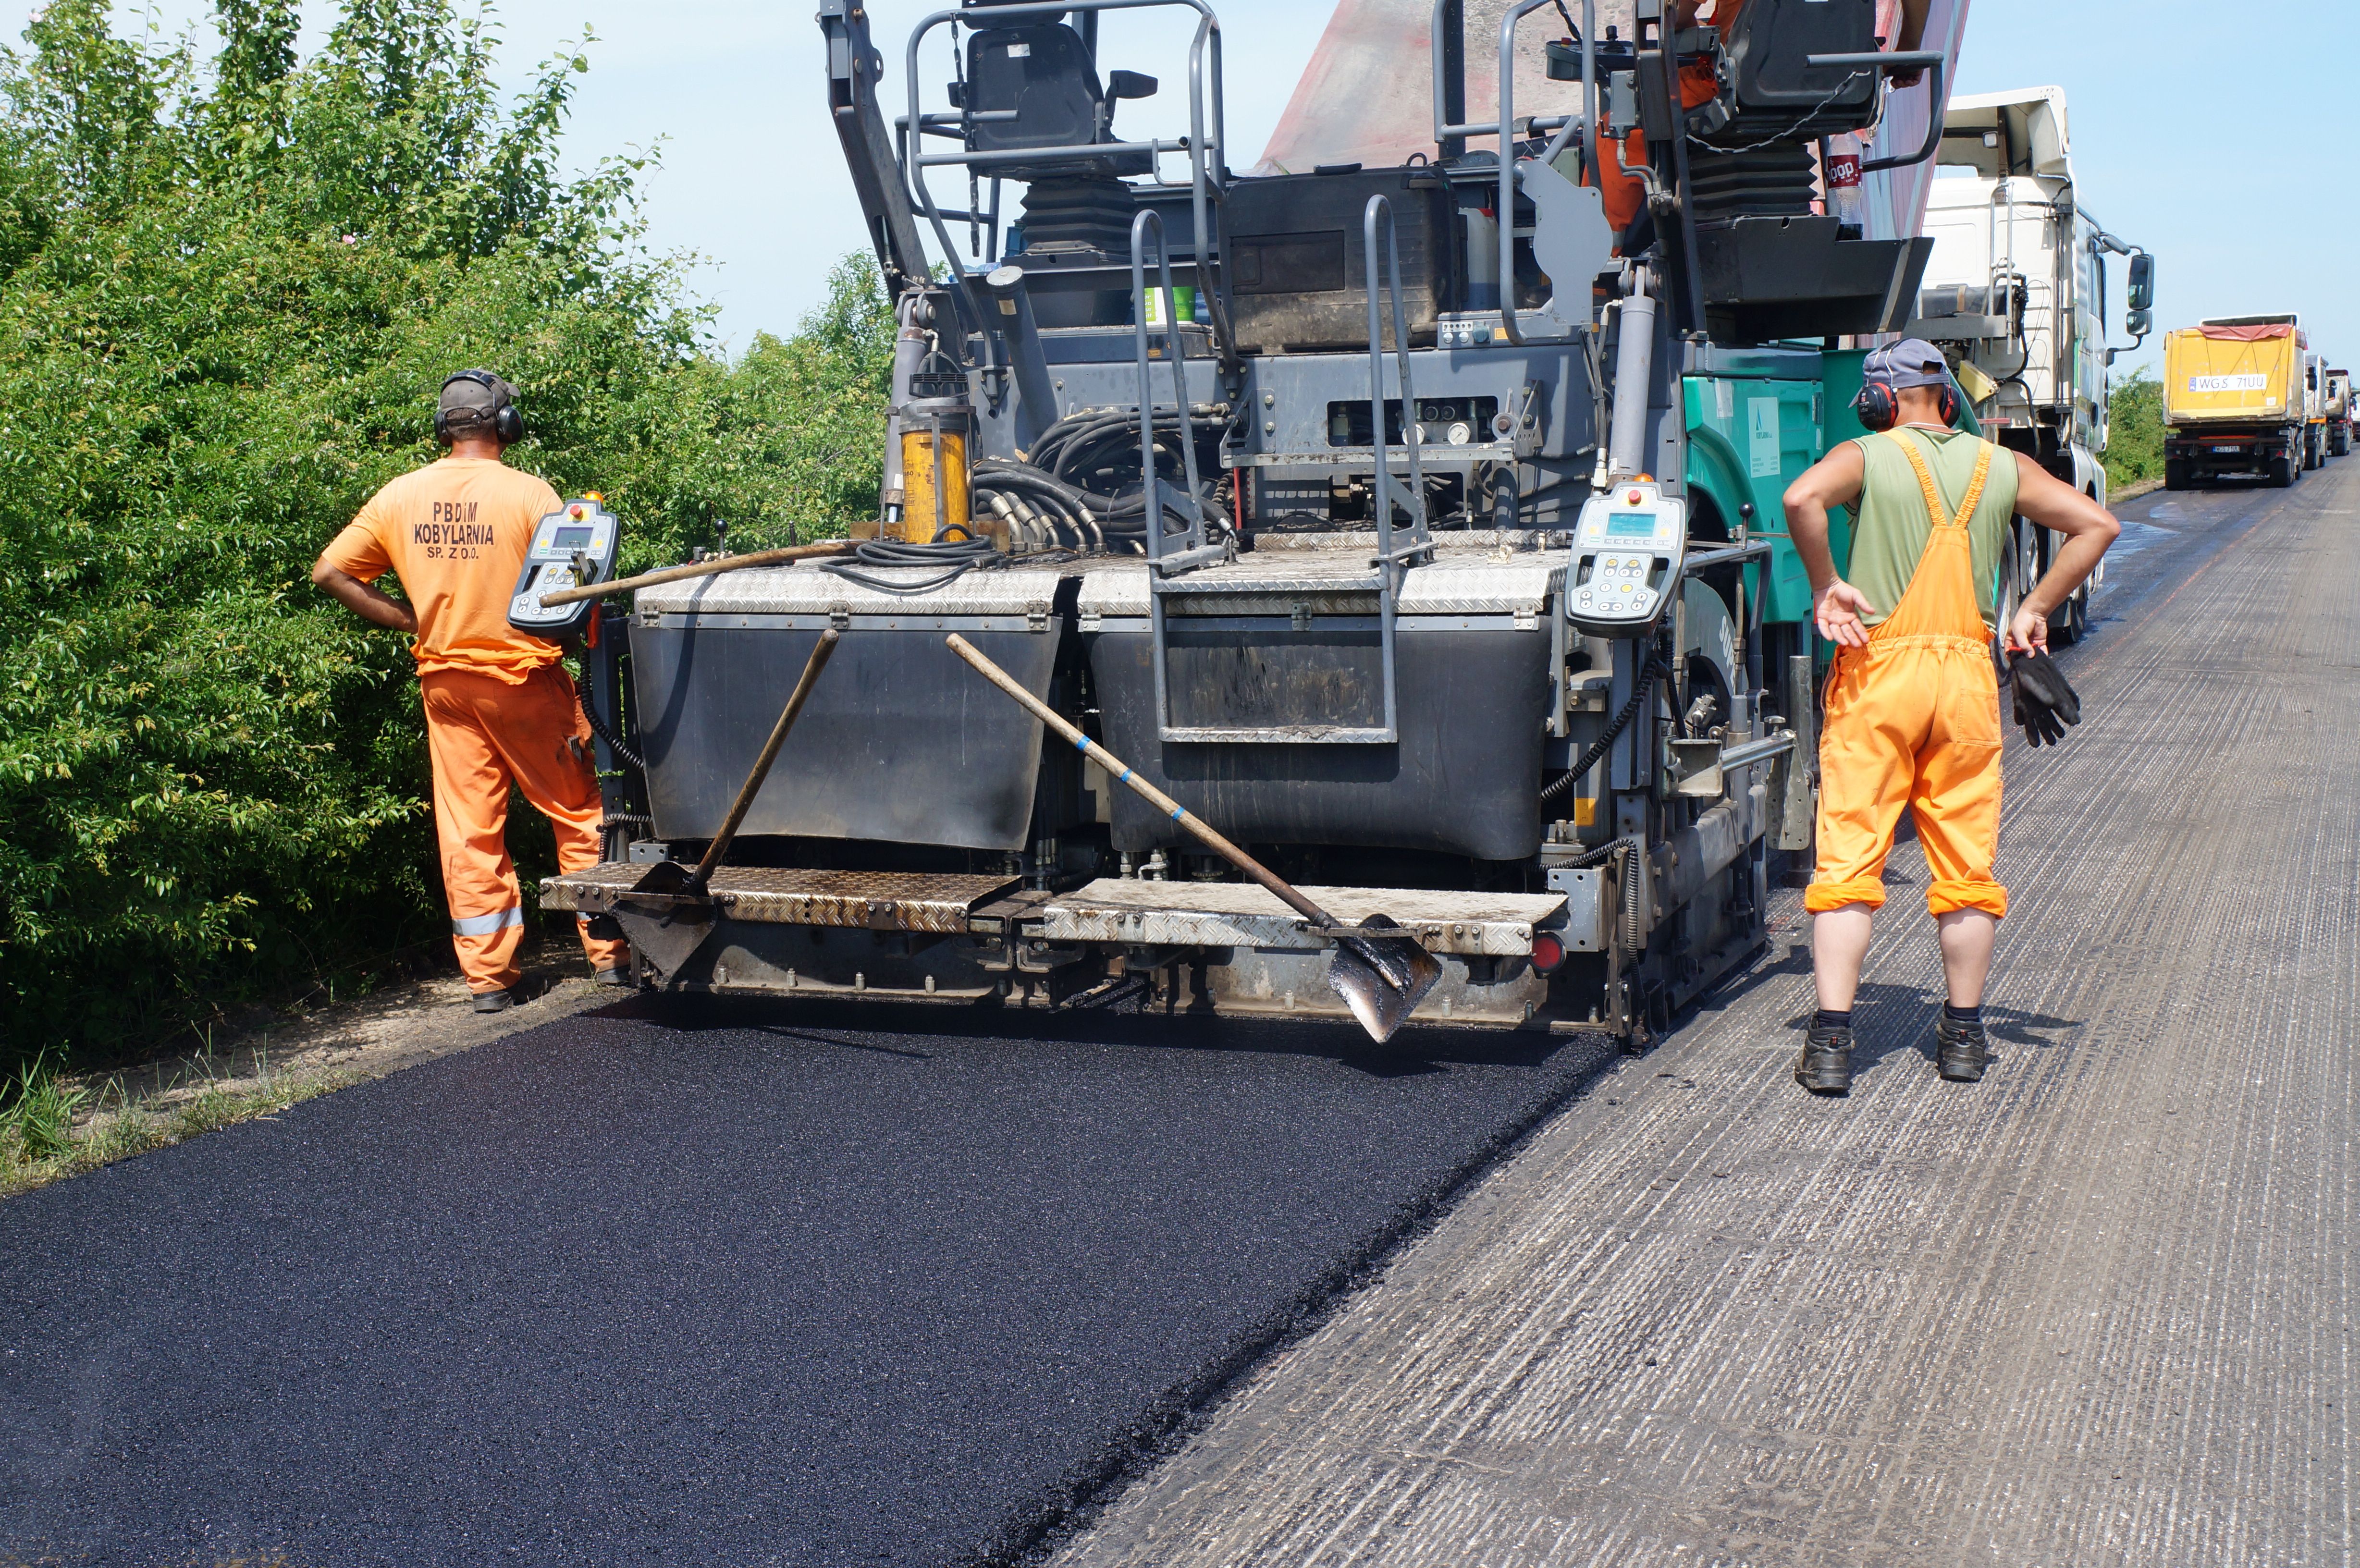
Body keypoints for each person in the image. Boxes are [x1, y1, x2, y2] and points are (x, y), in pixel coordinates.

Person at [1782, 339, 2117, 1094]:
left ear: (1885, 398)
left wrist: (1828, 581)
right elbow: (2098, 525)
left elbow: (1802, 499)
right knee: (1966, 868)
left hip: (1880, 673)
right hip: (1967, 679)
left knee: (1849, 863)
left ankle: (1833, 1044)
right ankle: (1963, 1037)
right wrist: (2033, 608)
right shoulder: (2000, 466)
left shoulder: (1867, 454)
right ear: (1946, 396)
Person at [312, 371, 631, 1012]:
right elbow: (569, 589)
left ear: (443, 428)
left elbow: (331, 571)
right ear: (504, 426)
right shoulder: (529, 493)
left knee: (469, 831)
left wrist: (413, 619)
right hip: (522, 680)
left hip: (445, 685)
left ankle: (490, 982)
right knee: (578, 811)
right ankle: (614, 957)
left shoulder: (399, 496)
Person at [1588, 0, 1936, 235]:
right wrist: (1908, 53)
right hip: (1841, 88)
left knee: (1619, 129)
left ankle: (1600, 267)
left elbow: (1675, 15)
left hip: (1740, 86)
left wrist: (1685, 23)